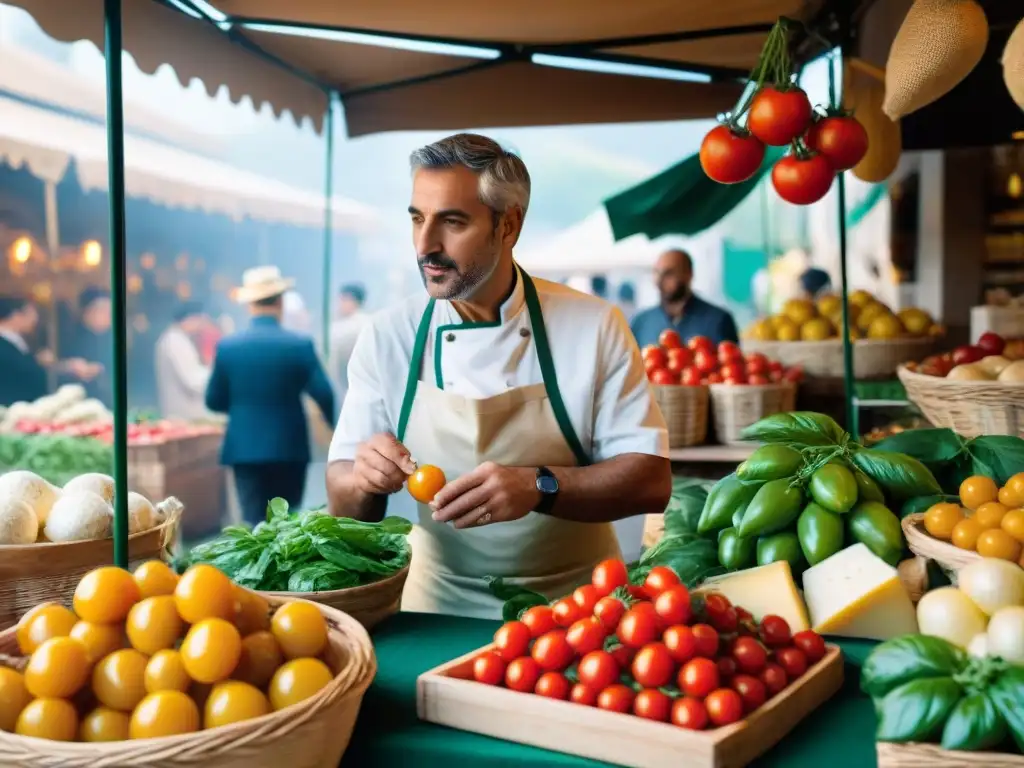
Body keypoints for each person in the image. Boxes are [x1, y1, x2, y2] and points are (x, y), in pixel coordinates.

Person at [326, 133, 671, 620]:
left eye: (452, 221)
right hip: (437, 609)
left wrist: (539, 486)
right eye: (417, 219)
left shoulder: (593, 325)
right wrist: (364, 478)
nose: (426, 245)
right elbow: (342, 495)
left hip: (580, 612)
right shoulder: (388, 336)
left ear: (508, 224)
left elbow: (650, 479)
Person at [205, 266, 336, 526]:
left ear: (249, 304)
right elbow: (324, 393)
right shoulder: (300, 345)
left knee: (254, 524)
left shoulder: (228, 347)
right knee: (287, 523)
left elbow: (213, 400)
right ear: (280, 301)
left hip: (244, 448)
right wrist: (334, 429)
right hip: (290, 446)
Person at [630, 249, 739, 348]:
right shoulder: (640, 322)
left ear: (688, 274)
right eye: (656, 272)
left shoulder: (719, 320)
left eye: (669, 273)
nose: (660, 280)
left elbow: (731, 364)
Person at [154, 302, 211, 421]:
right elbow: (193, 381)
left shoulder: (178, 339)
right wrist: (218, 376)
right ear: (189, 319)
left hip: (185, 413)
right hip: (184, 415)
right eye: (199, 321)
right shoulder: (175, 341)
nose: (201, 326)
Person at [0, 296, 48, 406]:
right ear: (15, 315)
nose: (35, 318)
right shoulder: (3, 345)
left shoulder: (15, 340)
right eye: (31, 313)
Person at [329, 283, 369, 401]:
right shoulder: (339, 325)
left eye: (343, 300)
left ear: (353, 301)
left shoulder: (360, 324)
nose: (340, 304)